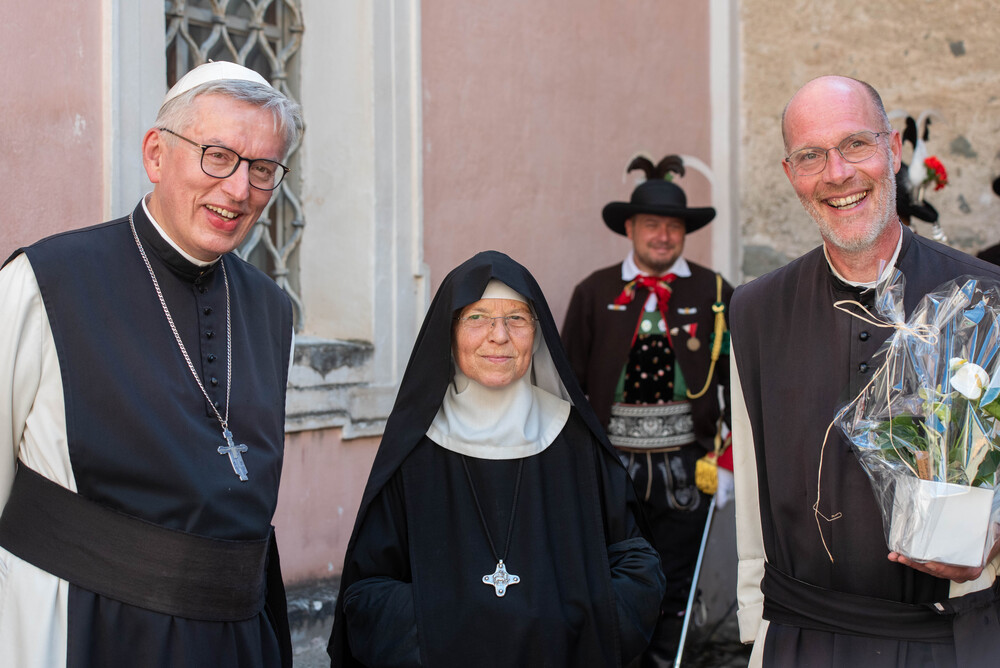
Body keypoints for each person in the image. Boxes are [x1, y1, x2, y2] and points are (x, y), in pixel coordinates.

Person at [0, 61, 302, 667]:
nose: (239, 189)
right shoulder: (47, 281)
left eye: (263, 169)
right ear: (157, 155)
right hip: (79, 630)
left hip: (234, 642)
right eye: (217, 155)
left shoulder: (272, 311)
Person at [731, 75, 1000, 667]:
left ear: (893, 148)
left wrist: (993, 538)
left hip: (952, 640)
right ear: (789, 173)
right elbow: (750, 485)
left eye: (855, 144)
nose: (836, 173)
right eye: (811, 156)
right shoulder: (753, 311)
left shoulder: (986, 297)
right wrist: (756, 630)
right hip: (802, 640)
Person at [328, 251, 665, 667]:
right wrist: (453, 632)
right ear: (448, 332)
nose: (499, 336)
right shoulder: (416, 447)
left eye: (517, 318)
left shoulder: (573, 437)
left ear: (537, 334)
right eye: (477, 317)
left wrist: (574, 624)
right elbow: (368, 589)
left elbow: (636, 562)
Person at [562, 157, 733, 664]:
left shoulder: (715, 292)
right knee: (612, 576)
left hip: (687, 466)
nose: (663, 236)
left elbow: (736, 387)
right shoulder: (594, 292)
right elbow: (567, 384)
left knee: (675, 582)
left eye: (674, 227)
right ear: (630, 229)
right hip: (612, 467)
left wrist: (725, 461)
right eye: (653, 225)